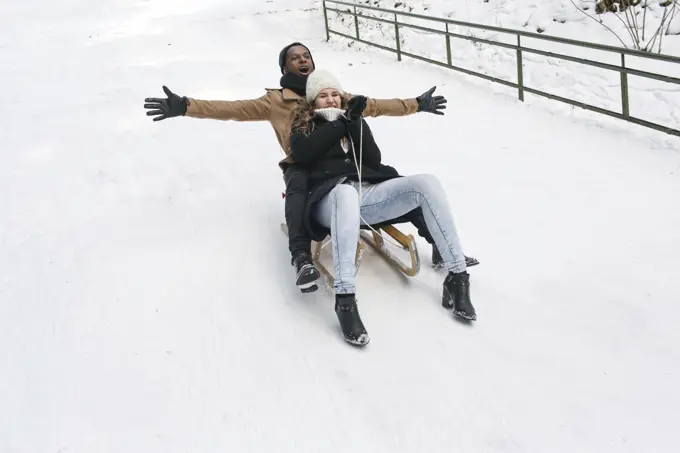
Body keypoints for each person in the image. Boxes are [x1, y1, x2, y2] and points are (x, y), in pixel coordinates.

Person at [142, 42, 477, 292]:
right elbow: (233, 108)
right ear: (285, 67)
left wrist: (417, 104)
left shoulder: (332, 93)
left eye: (306, 56)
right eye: (294, 57)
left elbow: (376, 106)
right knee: (298, 185)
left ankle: (438, 242)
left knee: (389, 174)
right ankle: (301, 256)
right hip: (304, 164)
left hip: (340, 165)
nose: (303, 60)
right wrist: (186, 106)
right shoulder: (276, 101)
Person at [288, 70, 477, 346]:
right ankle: (345, 300)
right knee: (344, 194)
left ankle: (458, 277)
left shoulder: (351, 120)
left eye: (334, 94)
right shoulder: (303, 126)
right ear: (312, 102)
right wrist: (341, 125)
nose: (330, 100)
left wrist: (355, 124)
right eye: (323, 96)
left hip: (365, 195)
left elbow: (373, 162)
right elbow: (304, 153)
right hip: (328, 201)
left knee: (426, 183)